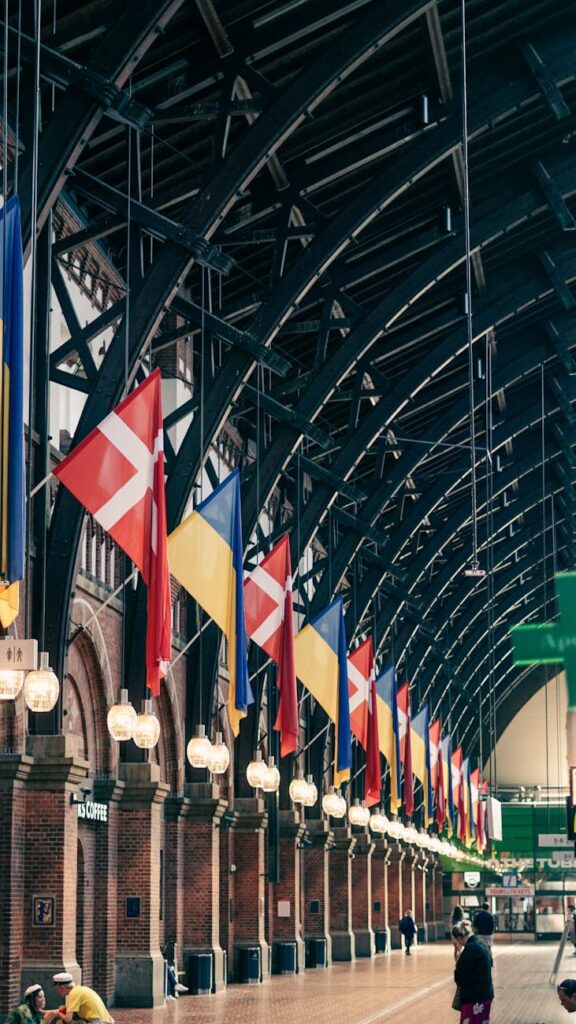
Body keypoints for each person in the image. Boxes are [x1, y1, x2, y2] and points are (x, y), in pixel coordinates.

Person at [453, 922, 494, 1024]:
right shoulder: (481, 943)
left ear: (460, 937)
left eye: (457, 940)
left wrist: (458, 959)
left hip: (474, 997)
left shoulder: (470, 949)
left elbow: (460, 976)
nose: (457, 943)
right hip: (485, 994)